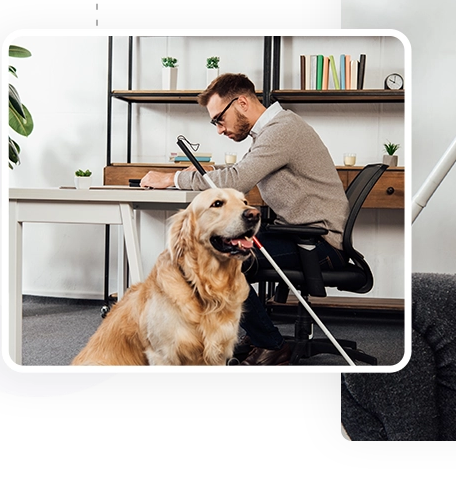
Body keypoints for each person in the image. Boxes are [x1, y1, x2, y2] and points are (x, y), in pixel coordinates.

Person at [141, 72, 352, 365]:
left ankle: (271, 344)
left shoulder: (283, 130)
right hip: (301, 235)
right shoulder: (270, 131)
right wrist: (202, 177)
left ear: (241, 102)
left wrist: (171, 179)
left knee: (218, 261)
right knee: (217, 252)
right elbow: (238, 176)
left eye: (218, 119)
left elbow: (237, 179)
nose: (219, 129)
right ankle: (250, 335)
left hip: (318, 245)